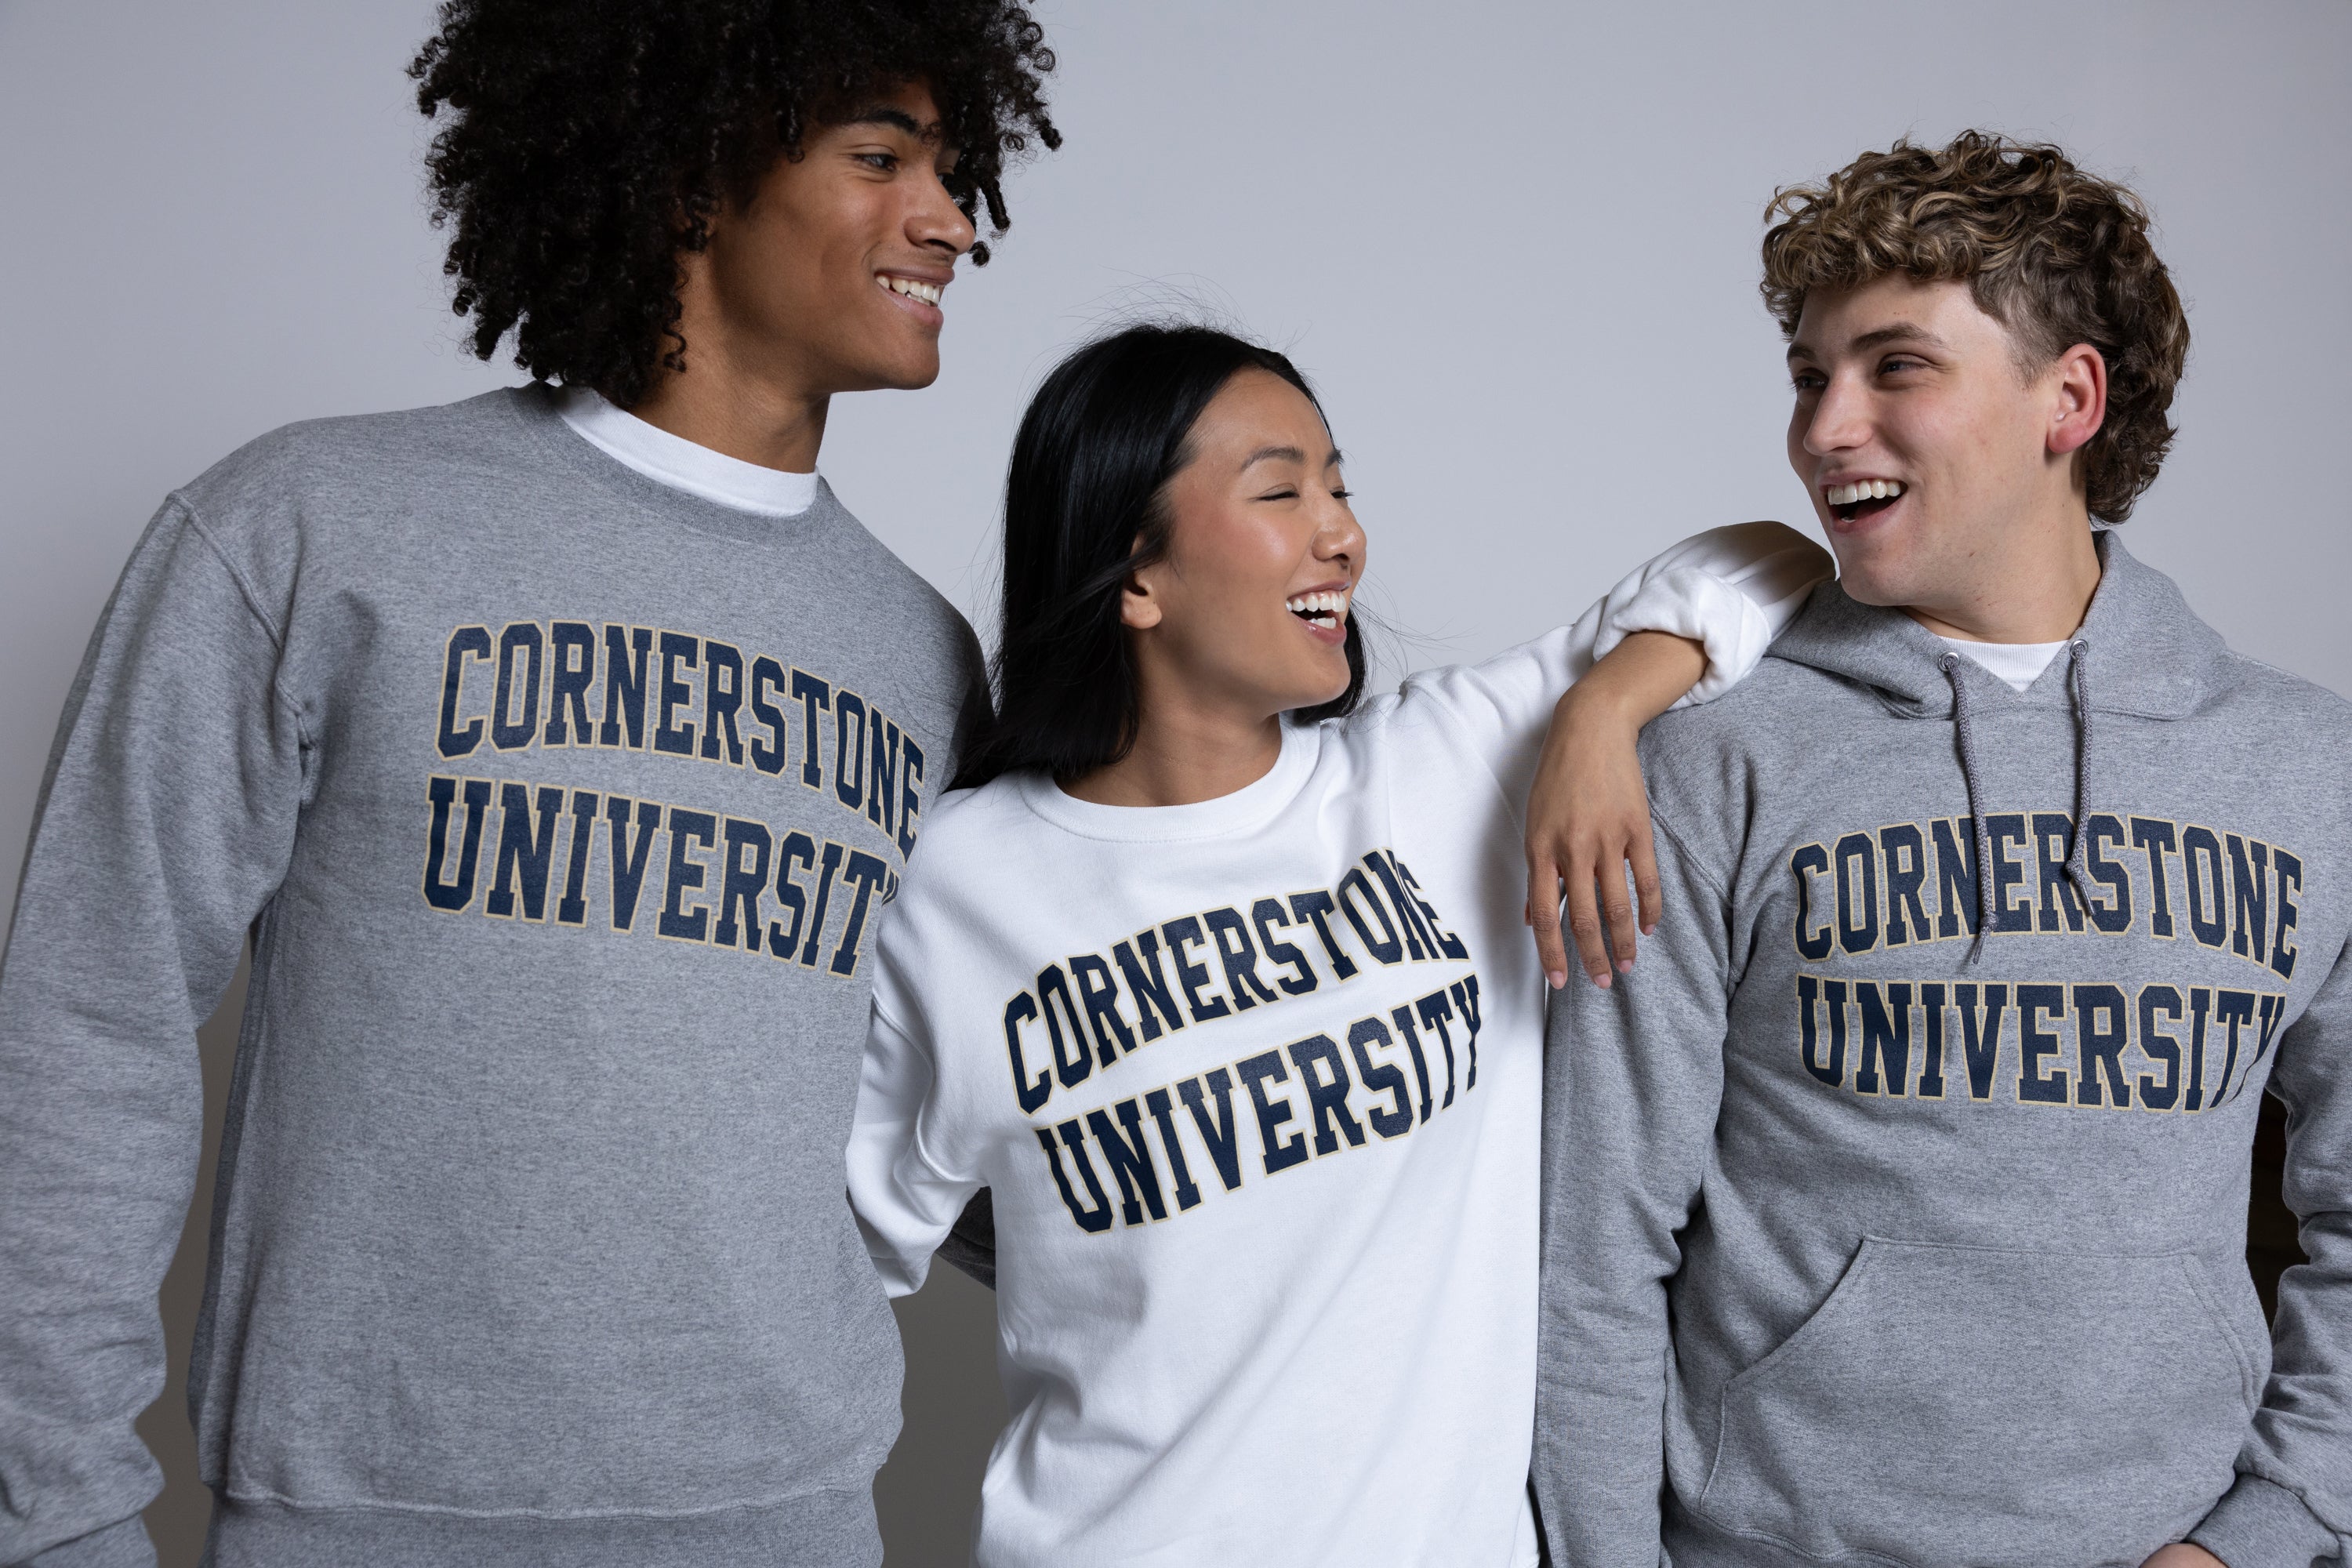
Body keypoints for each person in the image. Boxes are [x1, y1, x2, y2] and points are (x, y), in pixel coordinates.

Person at [0, 5, 1056, 1565]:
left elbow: (958, 1103)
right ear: (695, 178)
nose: (950, 219)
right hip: (365, 1521)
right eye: (882, 156)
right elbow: (91, 1021)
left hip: (791, 1522)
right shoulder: (311, 529)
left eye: (954, 167)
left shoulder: (920, 655)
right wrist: (61, 1512)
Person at [848, 321, 1830, 1565]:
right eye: (1282, 490)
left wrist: (1601, 709)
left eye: (1341, 486)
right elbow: (829, 1253)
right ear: (1135, 575)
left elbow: (1769, 558)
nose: (1342, 534)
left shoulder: (1444, 771)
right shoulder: (960, 883)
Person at [1533, 131, 2352, 1568]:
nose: (1824, 428)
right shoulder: (1715, 758)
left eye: (1894, 367)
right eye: (1808, 376)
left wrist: (2271, 1532)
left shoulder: (2302, 768)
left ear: (2069, 399)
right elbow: (1593, 1251)